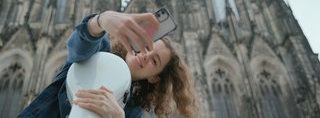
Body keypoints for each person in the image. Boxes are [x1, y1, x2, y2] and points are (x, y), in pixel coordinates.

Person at [17, 10, 198, 118]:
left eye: (154, 60)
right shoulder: (97, 52)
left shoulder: (133, 112)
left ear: (154, 78)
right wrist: (102, 20)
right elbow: (78, 46)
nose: (146, 55)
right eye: (147, 45)